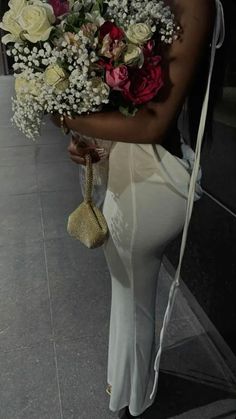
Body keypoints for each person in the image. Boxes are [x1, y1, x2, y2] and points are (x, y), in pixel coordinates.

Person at [52, 0, 226, 417]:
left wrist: (65, 117)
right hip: (130, 171)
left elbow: (152, 123)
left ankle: (135, 400)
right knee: (127, 292)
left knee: (133, 295)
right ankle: (127, 391)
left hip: (150, 180)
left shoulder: (194, 4)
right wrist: (80, 133)